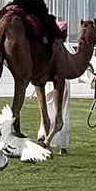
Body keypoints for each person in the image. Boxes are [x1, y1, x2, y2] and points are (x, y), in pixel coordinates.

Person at [35, 21, 74, 155]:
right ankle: (62, 146)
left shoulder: (46, 46)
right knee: (62, 112)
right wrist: (92, 78)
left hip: (44, 83)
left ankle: (42, 136)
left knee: (46, 111)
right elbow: (75, 65)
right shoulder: (65, 47)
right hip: (60, 83)